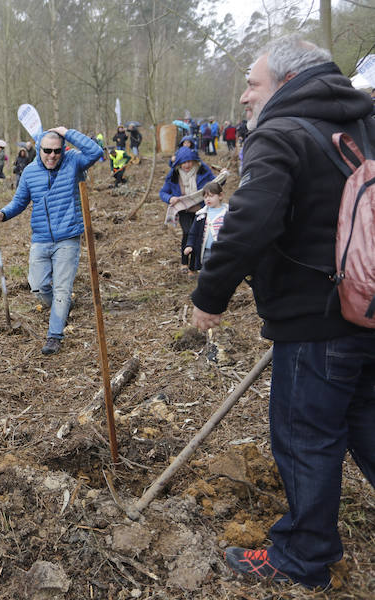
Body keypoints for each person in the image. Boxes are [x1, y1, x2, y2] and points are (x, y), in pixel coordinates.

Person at [190, 36, 375, 590]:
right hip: (367, 310)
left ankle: (303, 555)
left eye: (253, 82)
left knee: (305, 436)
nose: (245, 96)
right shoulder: (364, 125)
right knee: (366, 422)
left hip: (314, 320)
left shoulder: (281, 132)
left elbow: (251, 222)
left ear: (287, 83)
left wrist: (208, 296)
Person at [0, 126, 102, 355]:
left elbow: (96, 151)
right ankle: (62, 307)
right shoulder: (29, 173)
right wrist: (3, 213)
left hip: (68, 237)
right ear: (39, 149)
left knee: (62, 288)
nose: (52, 155)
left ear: (63, 150)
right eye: (47, 150)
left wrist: (67, 131)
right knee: (38, 286)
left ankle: (54, 336)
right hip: (41, 238)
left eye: (57, 151)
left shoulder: (74, 163)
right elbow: (19, 201)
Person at [159, 146, 215, 272]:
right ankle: (184, 262)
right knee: (188, 232)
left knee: (198, 235)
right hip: (183, 210)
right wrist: (170, 198)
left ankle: (193, 267)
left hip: (200, 209)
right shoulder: (174, 175)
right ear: (179, 163)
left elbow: (215, 184)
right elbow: (163, 192)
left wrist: (223, 175)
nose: (187, 165)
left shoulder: (202, 171)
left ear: (194, 161)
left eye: (189, 161)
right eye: (184, 162)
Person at [183, 181, 226, 271]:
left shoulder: (228, 213)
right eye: (205, 197)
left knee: (222, 272)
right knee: (207, 273)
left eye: (211, 196)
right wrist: (189, 245)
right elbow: (193, 233)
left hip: (223, 251)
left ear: (220, 196)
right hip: (206, 250)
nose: (208, 199)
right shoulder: (201, 215)